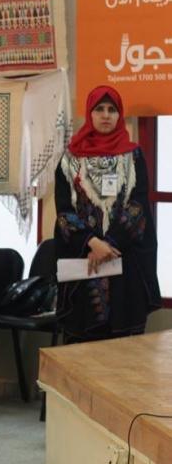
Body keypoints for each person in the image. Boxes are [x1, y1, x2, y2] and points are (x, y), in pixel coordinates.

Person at [54, 85, 160, 343]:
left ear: (119, 115)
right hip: (83, 262)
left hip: (124, 259)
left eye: (112, 110)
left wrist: (108, 245)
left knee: (124, 350)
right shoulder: (69, 159)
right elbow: (64, 210)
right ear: (89, 113)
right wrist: (92, 243)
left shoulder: (133, 156)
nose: (105, 115)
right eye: (99, 109)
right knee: (81, 351)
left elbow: (138, 207)